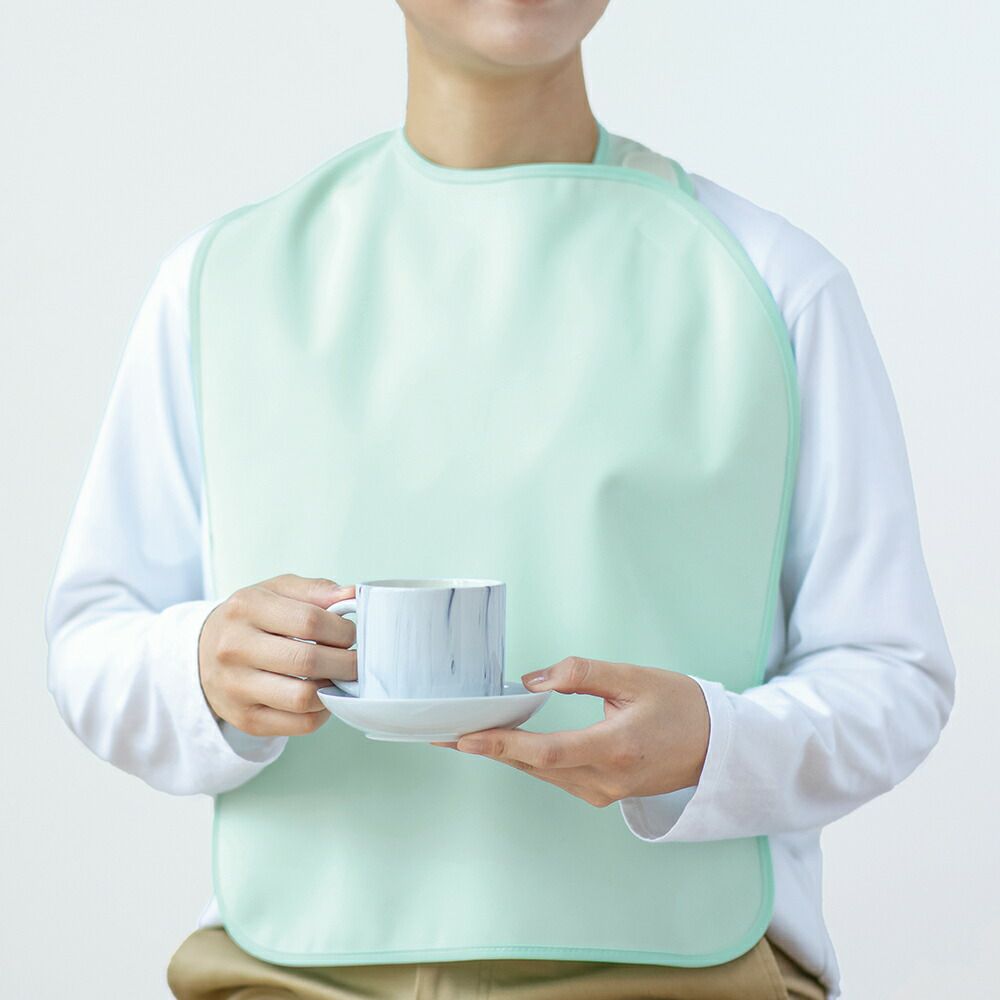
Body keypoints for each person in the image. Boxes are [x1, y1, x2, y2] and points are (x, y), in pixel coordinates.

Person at [44, 2, 955, 998]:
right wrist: (203, 667)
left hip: (675, 974)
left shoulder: (771, 285)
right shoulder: (223, 284)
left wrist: (714, 744)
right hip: (288, 971)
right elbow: (91, 639)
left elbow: (892, 670)